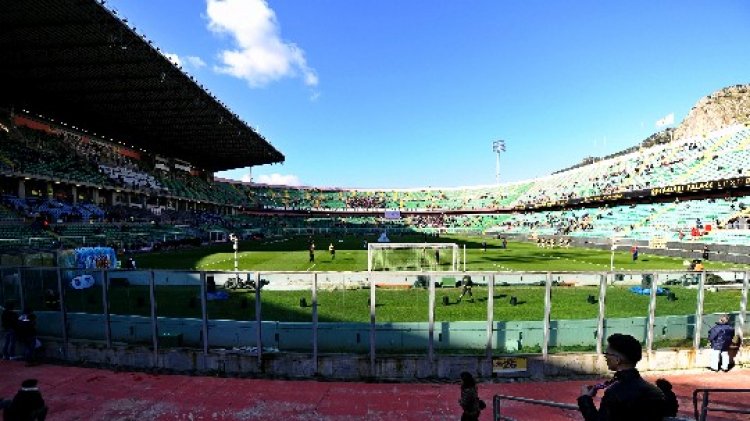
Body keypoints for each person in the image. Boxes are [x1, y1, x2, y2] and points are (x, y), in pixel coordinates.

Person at [577, 333, 667, 421]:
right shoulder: (656, 392)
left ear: (617, 360)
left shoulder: (614, 392)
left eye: (607, 354)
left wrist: (585, 399)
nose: (605, 357)